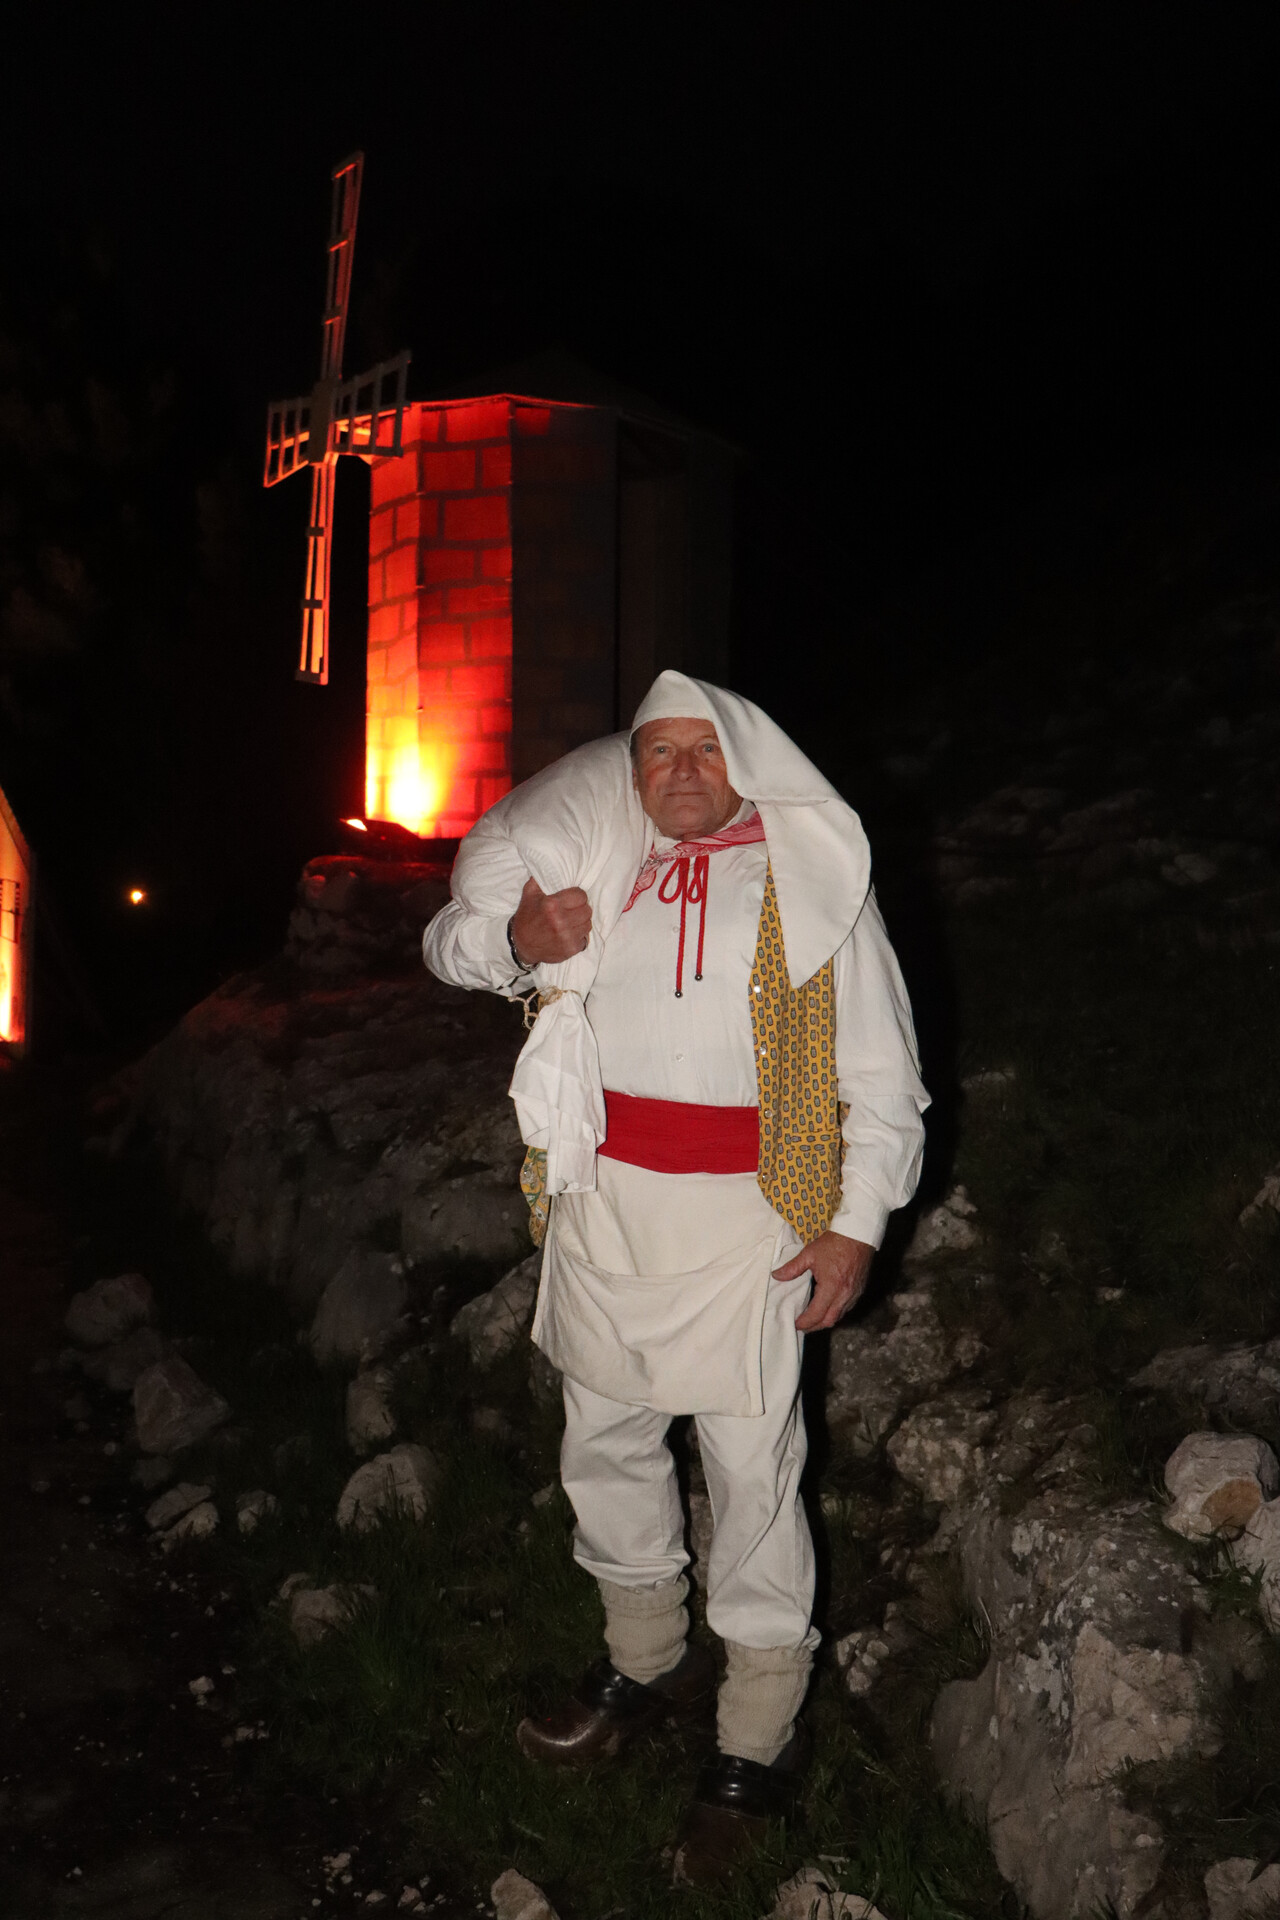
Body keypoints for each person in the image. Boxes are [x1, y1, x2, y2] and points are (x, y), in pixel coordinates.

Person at [423, 671, 927, 1885]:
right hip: (603, 1209)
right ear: (631, 770)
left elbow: (886, 1082)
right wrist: (513, 941)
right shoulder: (601, 863)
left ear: (744, 760)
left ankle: (756, 1729)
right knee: (604, 1442)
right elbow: (446, 944)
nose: (682, 772)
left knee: (752, 1476)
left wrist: (853, 1225)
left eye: (706, 751)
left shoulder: (814, 884)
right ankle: (643, 1655)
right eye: (659, 754)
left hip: (748, 1227)